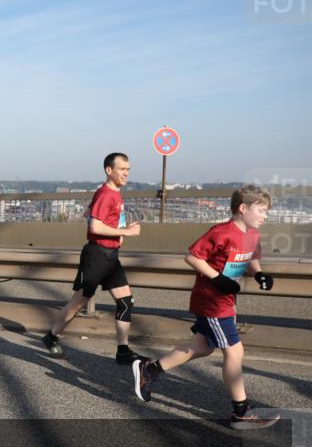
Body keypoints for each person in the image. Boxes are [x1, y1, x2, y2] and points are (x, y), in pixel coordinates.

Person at [133, 185, 280, 429]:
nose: (265, 216)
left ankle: (150, 369)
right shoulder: (221, 232)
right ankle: (241, 412)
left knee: (201, 347)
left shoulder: (253, 234)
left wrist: (260, 274)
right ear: (243, 209)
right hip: (211, 301)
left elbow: (252, 257)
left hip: (226, 301)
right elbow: (192, 256)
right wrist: (217, 278)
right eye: (261, 210)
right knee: (235, 352)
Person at [41, 152, 152, 365]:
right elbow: (94, 226)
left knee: (126, 302)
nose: (126, 173)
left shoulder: (113, 193)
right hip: (97, 256)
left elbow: (88, 215)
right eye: (122, 169)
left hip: (111, 257)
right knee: (78, 302)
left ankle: (123, 351)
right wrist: (126, 232)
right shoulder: (106, 194)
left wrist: (119, 231)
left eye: (128, 169)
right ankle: (51, 337)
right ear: (109, 171)